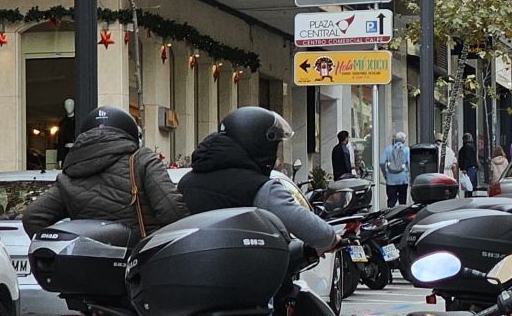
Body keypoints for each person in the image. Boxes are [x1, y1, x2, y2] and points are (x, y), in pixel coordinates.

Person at [181, 106, 338, 253]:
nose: (275, 155)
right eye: (274, 147)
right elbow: (308, 227)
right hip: (243, 274)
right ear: (259, 145)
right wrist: (333, 239)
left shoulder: (186, 182)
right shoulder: (261, 188)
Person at [23, 105, 187, 238]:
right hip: (140, 264)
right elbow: (172, 211)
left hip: (91, 266)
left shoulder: (69, 175)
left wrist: (71, 246)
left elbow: (33, 217)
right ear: (131, 135)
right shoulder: (141, 160)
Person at [380, 131, 411, 208]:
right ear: (404, 140)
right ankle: (402, 217)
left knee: (391, 201)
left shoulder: (388, 149)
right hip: (403, 179)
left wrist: (385, 174)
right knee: (402, 201)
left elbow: (382, 162)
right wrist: (409, 175)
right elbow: (410, 163)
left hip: (390, 179)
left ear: (395, 140)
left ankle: (390, 217)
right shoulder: (407, 150)